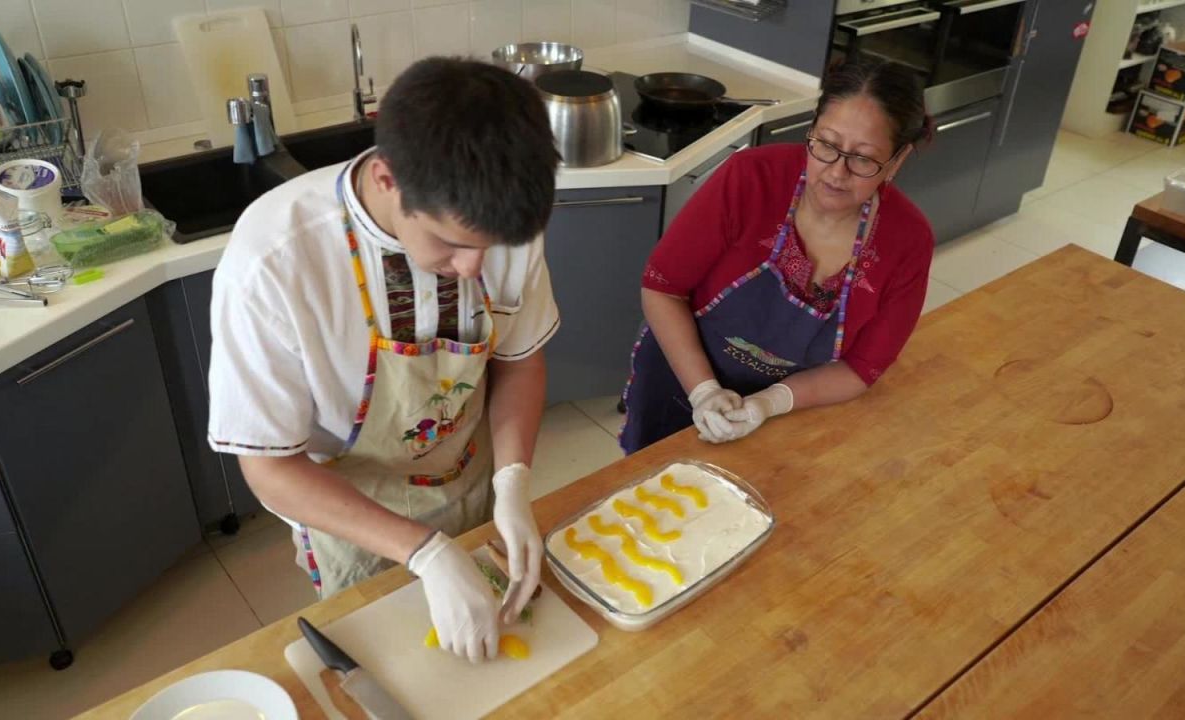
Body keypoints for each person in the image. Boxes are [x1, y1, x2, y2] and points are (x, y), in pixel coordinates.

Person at [207, 58, 561, 662]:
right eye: (451, 244)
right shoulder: (274, 260)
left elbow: (520, 362)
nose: (475, 267)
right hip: (352, 510)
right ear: (386, 177)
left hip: (473, 478)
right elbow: (269, 467)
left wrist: (513, 480)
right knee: (395, 664)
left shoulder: (497, 220)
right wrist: (425, 551)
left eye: (489, 248)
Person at [621, 58, 934, 453]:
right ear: (811, 130)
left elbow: (861, 368)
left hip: (797, 411)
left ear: (897, 160)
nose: (836, 174)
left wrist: (771, 404)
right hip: (680, 379)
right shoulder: (750, 179)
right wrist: (703, 391)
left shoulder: (907, 241)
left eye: (862, 159)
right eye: (827, 145)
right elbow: (662, 289)